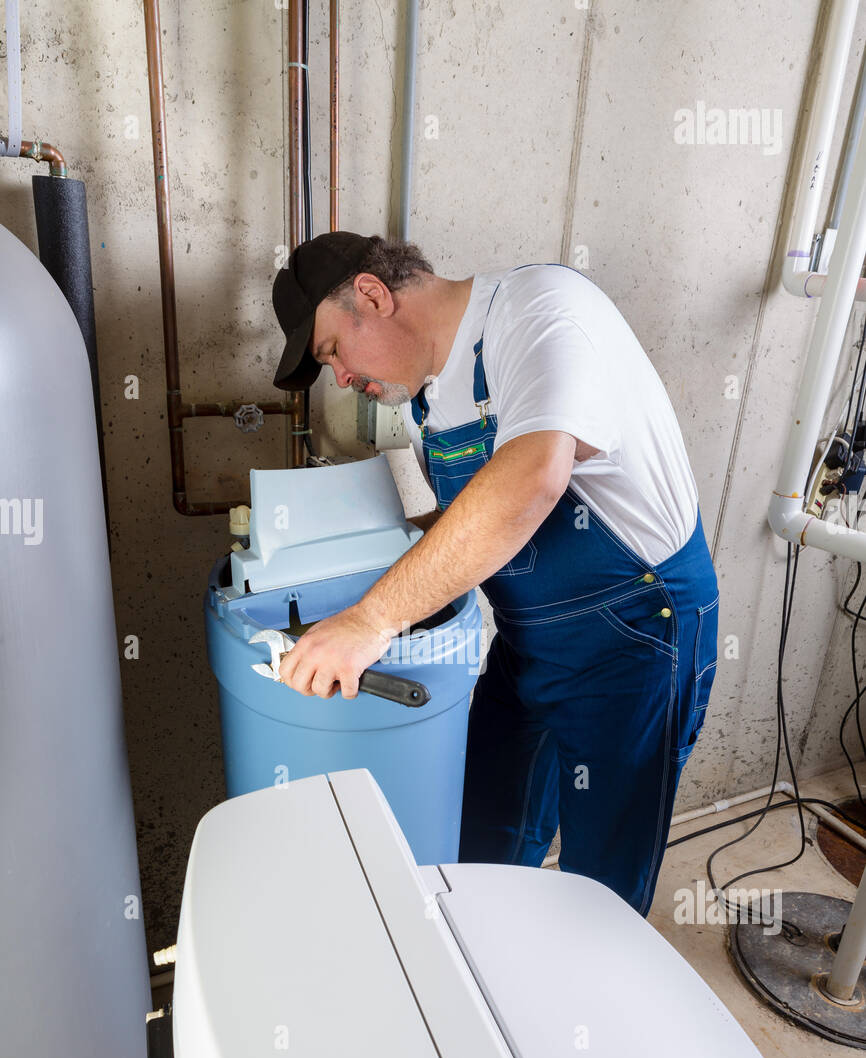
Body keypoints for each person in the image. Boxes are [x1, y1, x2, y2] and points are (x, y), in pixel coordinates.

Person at [270, 230, 719, 915]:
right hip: (530, 642)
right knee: (482, 838)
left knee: (600, 883)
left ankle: (579, 1013)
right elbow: (466, 525)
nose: (343, 380)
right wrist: (328, 541)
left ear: (372, 294)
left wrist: (371, 620)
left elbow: (532, 478)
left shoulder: (541, 311)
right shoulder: (424, 400)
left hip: (635, 635)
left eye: (333, 351)